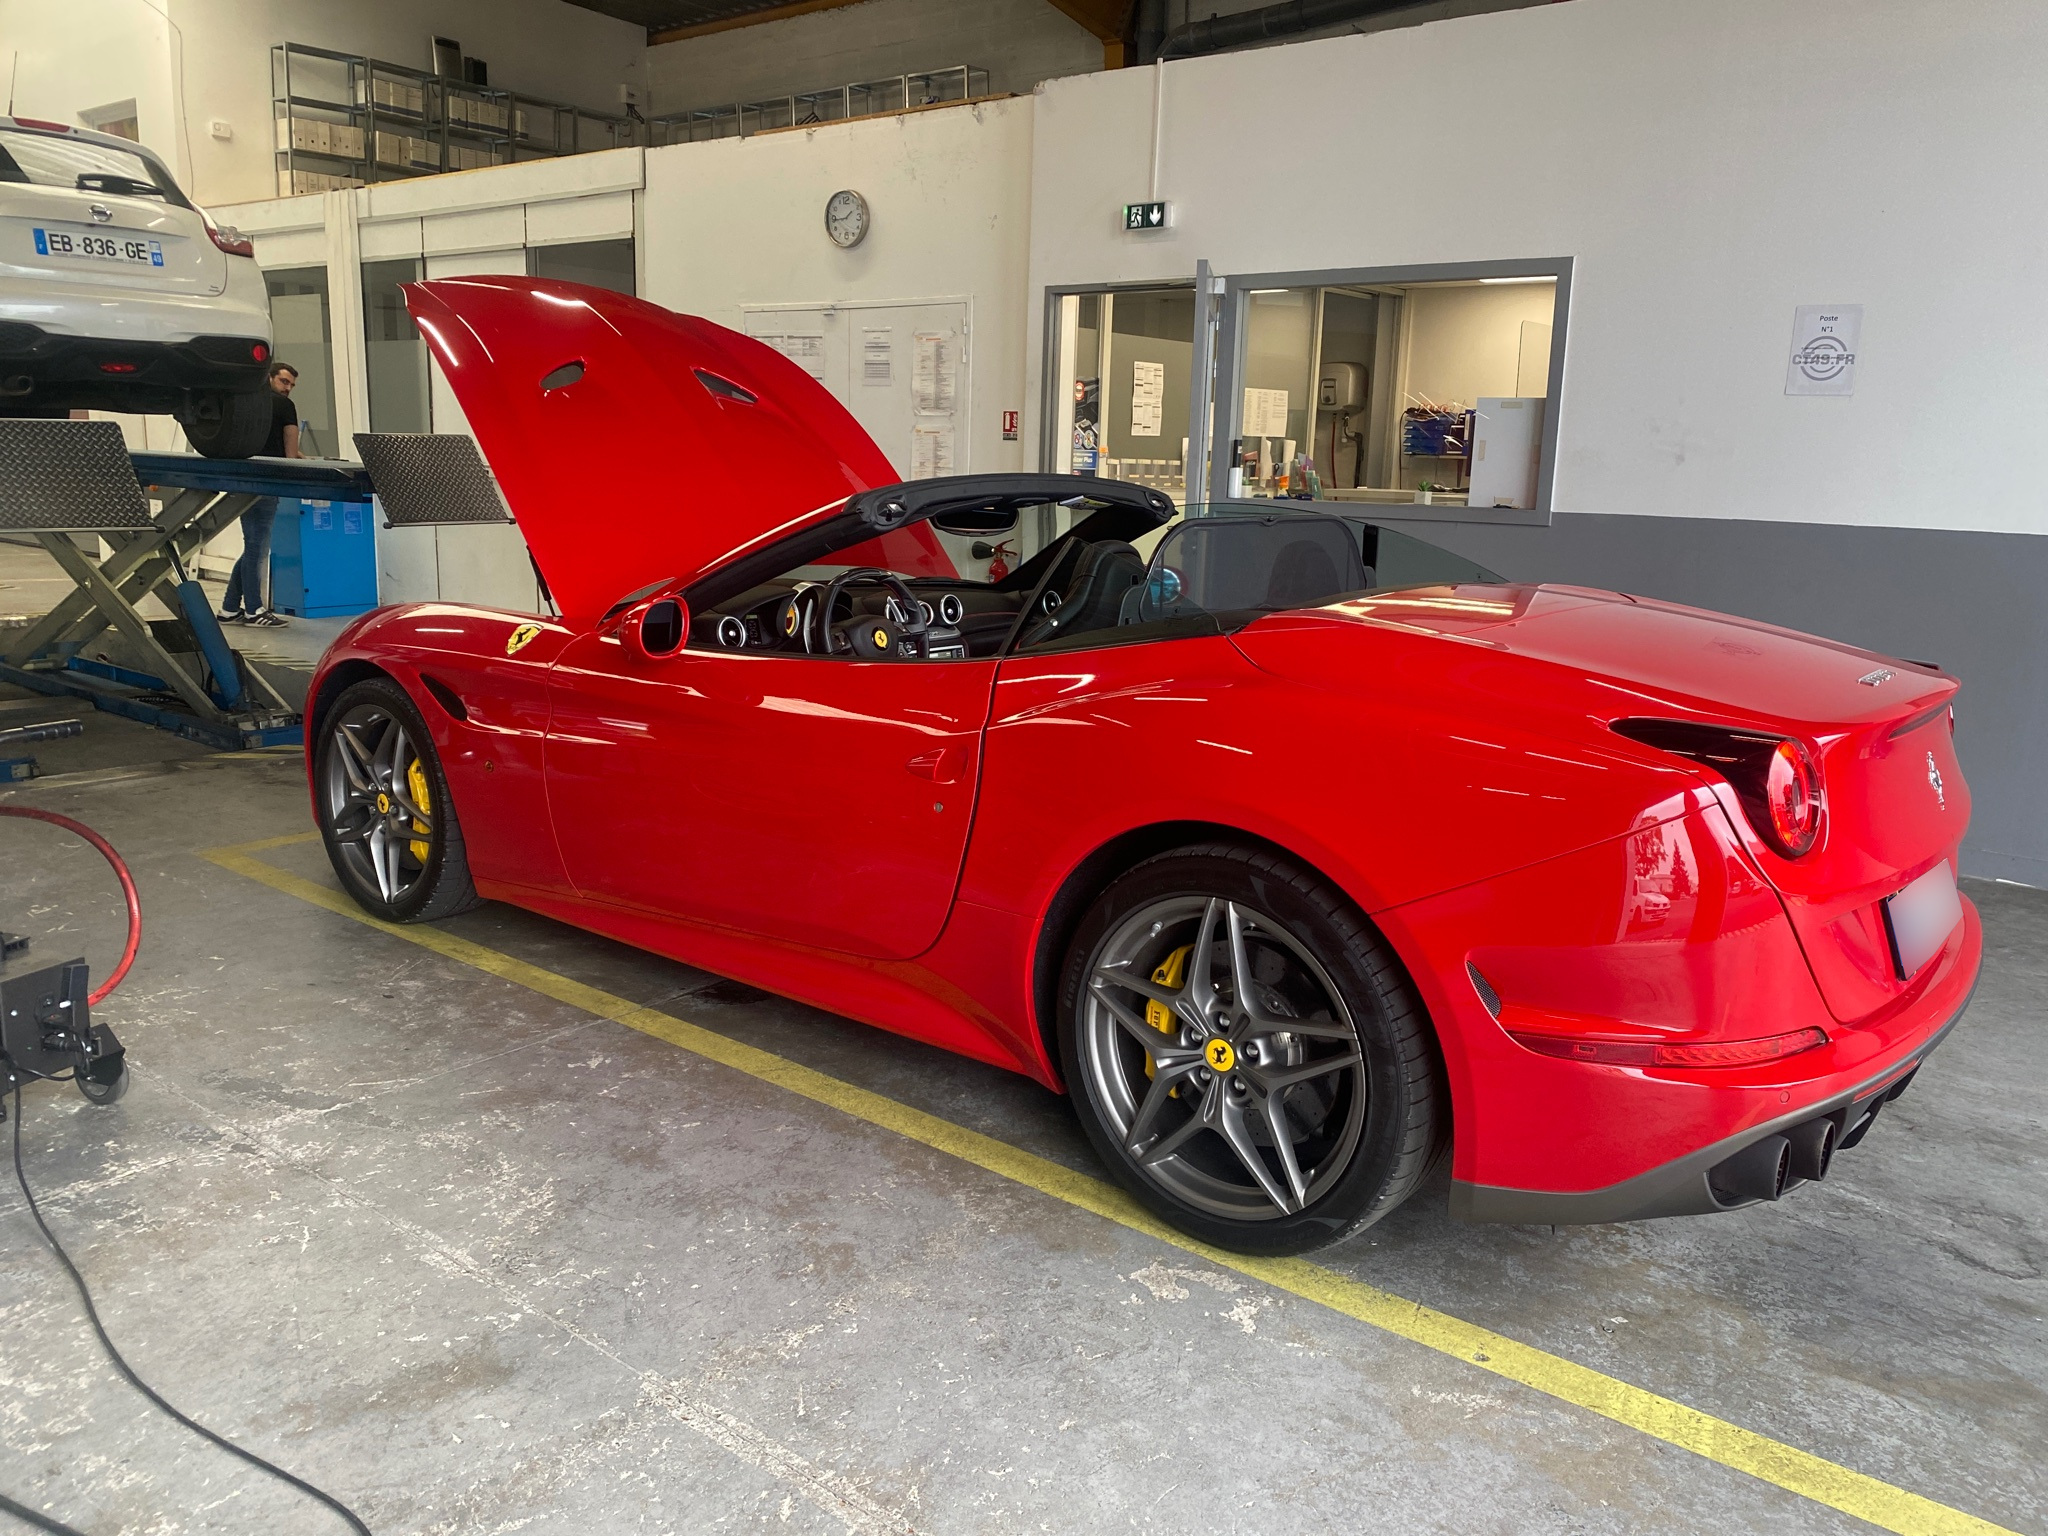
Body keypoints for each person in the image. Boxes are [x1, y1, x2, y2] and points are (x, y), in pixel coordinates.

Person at [217, 362, 301, 627]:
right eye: (284, 382)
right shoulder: (284, 406)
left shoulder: (243, 403)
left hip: (240, 478)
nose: (288, 389)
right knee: (257, 547)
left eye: (291, 385)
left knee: (253, 545)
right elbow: (290, 453)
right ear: (269, 378)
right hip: (266, 481)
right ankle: (254, 610)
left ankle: (230, 608)